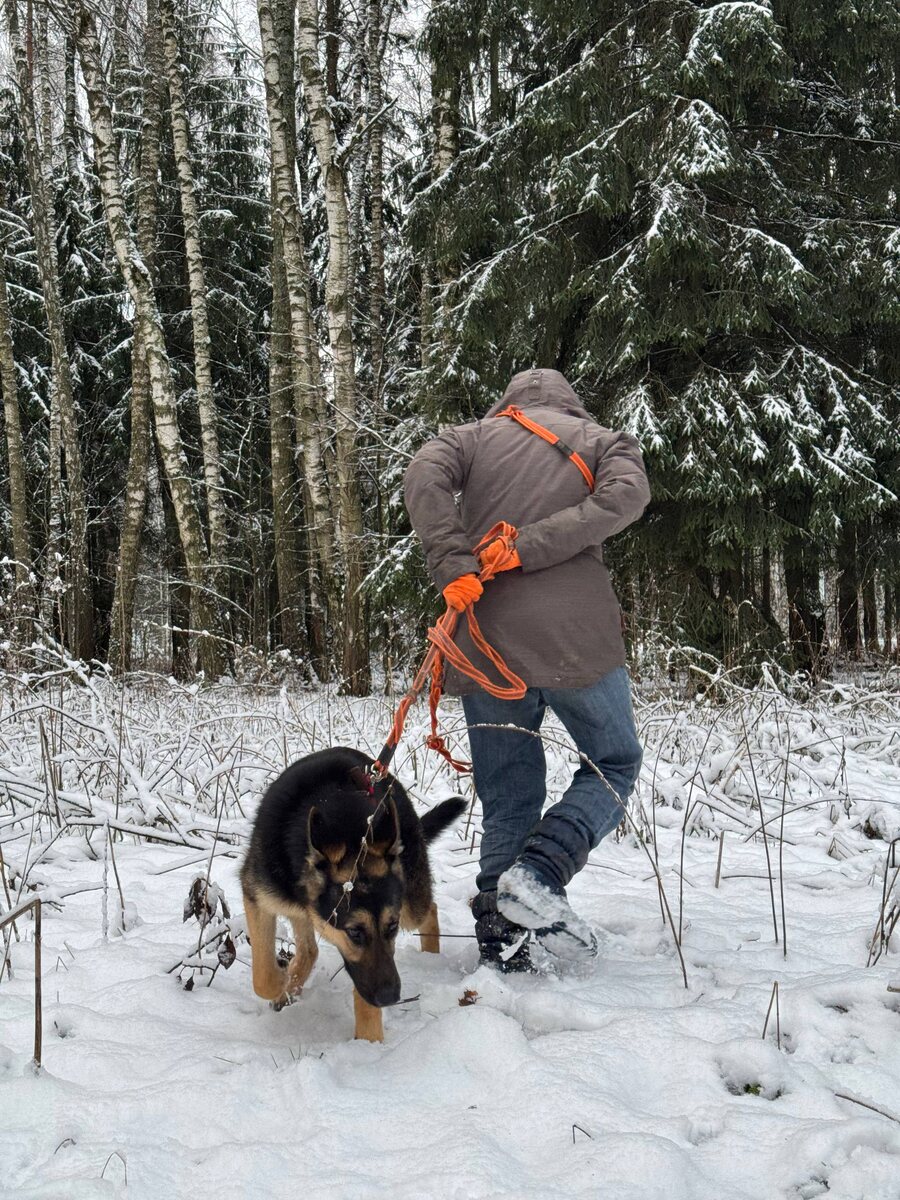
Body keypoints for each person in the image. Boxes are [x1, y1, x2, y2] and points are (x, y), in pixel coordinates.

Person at [404, 368, 650, 971]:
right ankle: (539, 873)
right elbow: (626, 498)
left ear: (508, 402)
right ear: (571, 402)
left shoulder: (469, 438)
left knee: (508, 790)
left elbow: (421, 475)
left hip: (485, 637)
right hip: (577, 637)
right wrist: (533, 544)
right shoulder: (603, 440)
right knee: (614, 763)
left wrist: (453, 560)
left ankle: (501, 939)